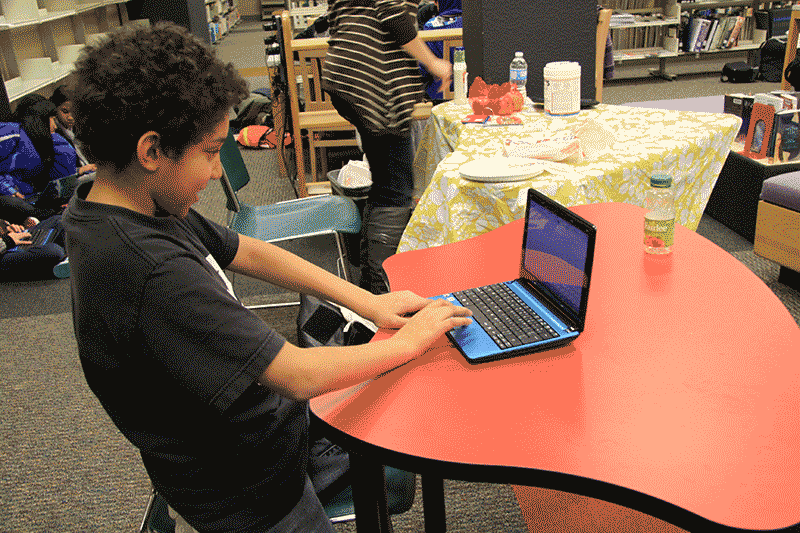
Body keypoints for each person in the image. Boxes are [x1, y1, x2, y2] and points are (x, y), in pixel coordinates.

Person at [63, 22, 471, 533]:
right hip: (252, 494)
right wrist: (408, 341)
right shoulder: (148, 268)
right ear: (151, 151)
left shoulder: (130, 201)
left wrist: (368, 303)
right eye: (211, 152)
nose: (216, 173)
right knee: (408, 393)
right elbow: (296, 375)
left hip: (266, 438)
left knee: (404, 413)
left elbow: (248, 252)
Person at [322, 0, 453, 294]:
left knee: (384, 186)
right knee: (396, 191)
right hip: (375, 83)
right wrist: (433, 63)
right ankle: (384, 295)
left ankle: (371, 287)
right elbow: (393, 14)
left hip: (350, 75)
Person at [0, 94, 78, 215]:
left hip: (29, 203)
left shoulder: (46, 144)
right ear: (40, 119)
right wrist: (7, 188)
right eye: (52, 119)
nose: (55, 126)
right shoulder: (12, 133)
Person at [418, 0, 463, 104]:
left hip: (439, 95)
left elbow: (422, 70)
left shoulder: (429, 26)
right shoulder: (473, 23)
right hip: (471, 92)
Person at [0, 215, 66, 281]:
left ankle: (66, 256)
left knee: (61, 219)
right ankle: (66, 256)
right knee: (53, 250)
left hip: (9, 238)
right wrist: (7, 240)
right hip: (4, 250)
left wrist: (6, 227)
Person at [50, 85, 96, 174]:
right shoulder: (55, 133)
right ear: (55, 110)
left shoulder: (82, 124)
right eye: (65, 112)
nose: (70, 117)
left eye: (73, 111)